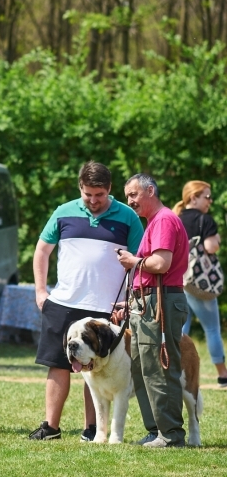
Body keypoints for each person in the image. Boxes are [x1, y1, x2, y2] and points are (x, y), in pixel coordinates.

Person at [28, 162, 143, 441]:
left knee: (94, 367)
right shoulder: (63, 211)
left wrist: (129, 300)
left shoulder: (128, 217)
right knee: (58, 364)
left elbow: (139, 262)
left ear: (110, 190)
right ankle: (51, 427)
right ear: (80, 187)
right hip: (63, 302)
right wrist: (41, 291)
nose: (93, 201)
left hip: (106, 308)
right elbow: (42, 251)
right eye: (88, 194)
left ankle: (93, 429)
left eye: (99, 195)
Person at [116, 173, 190, 448]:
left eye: (134, 195)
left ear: (150, 191)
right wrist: (132, 299)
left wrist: (133, 261)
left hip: (160, 303)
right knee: (142, 368)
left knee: (159, 368)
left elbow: (161, 263)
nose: (130, 201)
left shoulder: (163, 220)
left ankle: (170, 435)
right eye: (127, 197)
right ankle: (156, 430)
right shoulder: (153, 223)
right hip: (149, 301)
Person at [172, 181, 227, 388]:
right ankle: (223, 374)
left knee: (179, 328)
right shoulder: (205, 220)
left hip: (178, 280)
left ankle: (175, 370)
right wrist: (218, 239)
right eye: (207, 196)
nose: (210, 201)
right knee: (212, 328)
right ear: (193, 198)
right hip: (199, 283)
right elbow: (211, 247)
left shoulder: (174, 218)